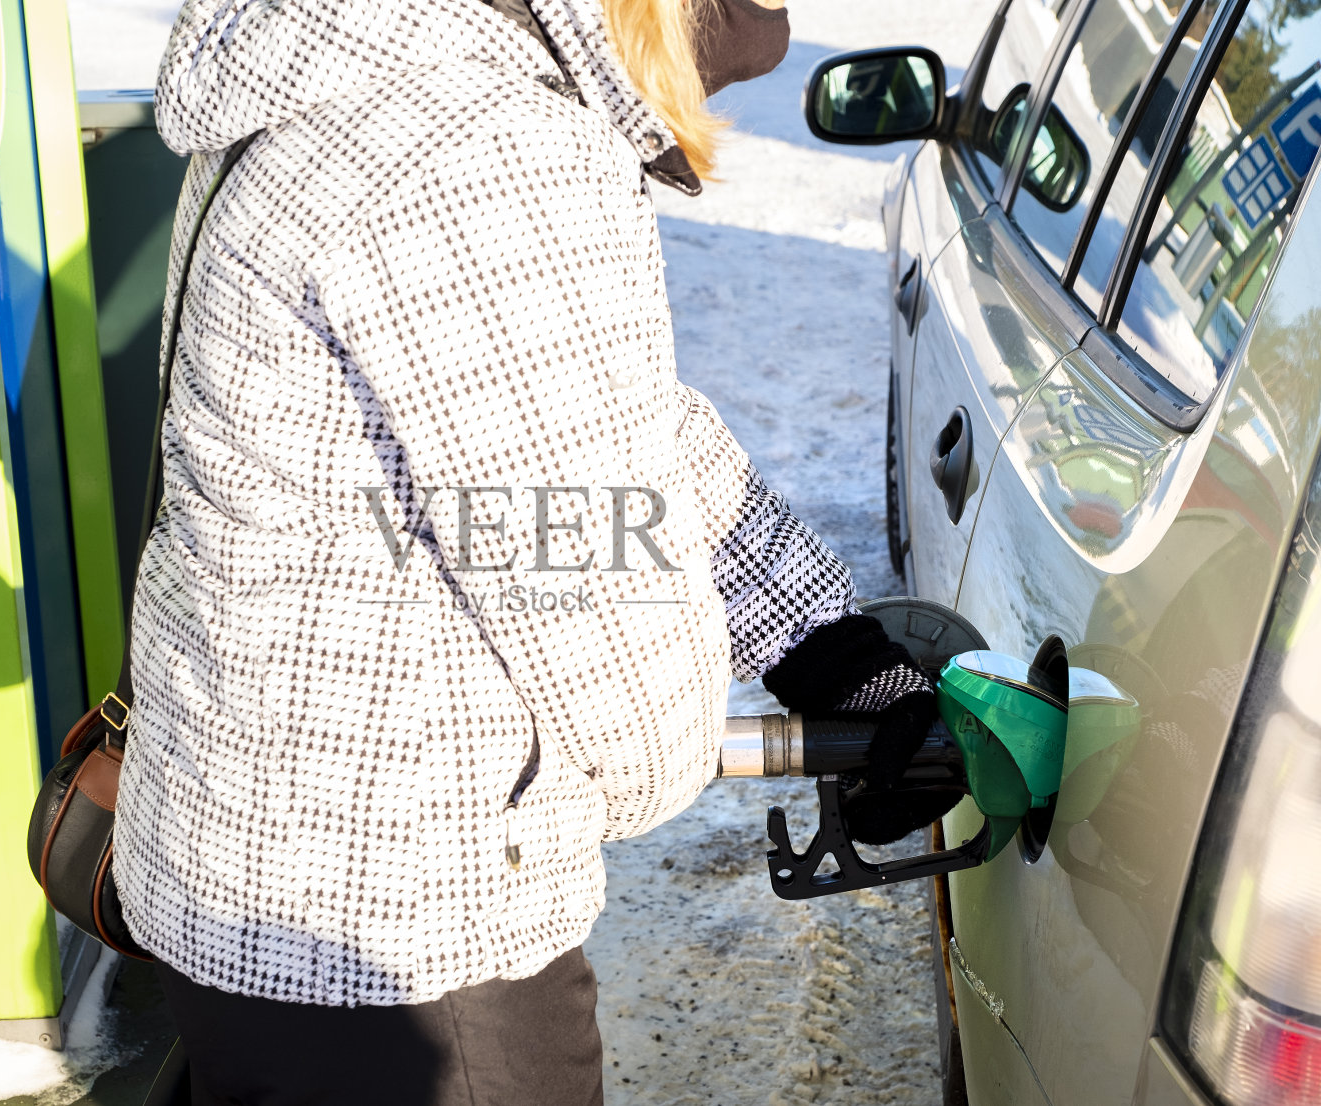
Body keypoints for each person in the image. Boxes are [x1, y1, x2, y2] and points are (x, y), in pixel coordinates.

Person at [112, 0, 957, 1101]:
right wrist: (708, 741)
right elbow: (608, 634)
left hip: (257, 885)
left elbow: (599, 417)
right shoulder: (485, 144)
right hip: (404, 946)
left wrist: (820, 644)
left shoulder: (370, 59)